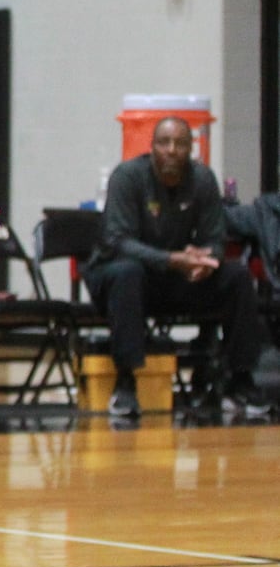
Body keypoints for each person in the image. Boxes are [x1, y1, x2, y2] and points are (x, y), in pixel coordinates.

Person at [84, 115, 268, 418]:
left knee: (236, 276)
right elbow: (117, 242)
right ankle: (126, 384)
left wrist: (207, 259)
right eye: (164, 143)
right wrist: (171, 259)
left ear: (191, 149)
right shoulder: (127, 177)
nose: (172, 150)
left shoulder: (203, 180)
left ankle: (240, 382)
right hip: (118, 277)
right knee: (127, 271)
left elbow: (216, 239)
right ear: (153, 147)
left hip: (174, 276)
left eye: (180, 143)